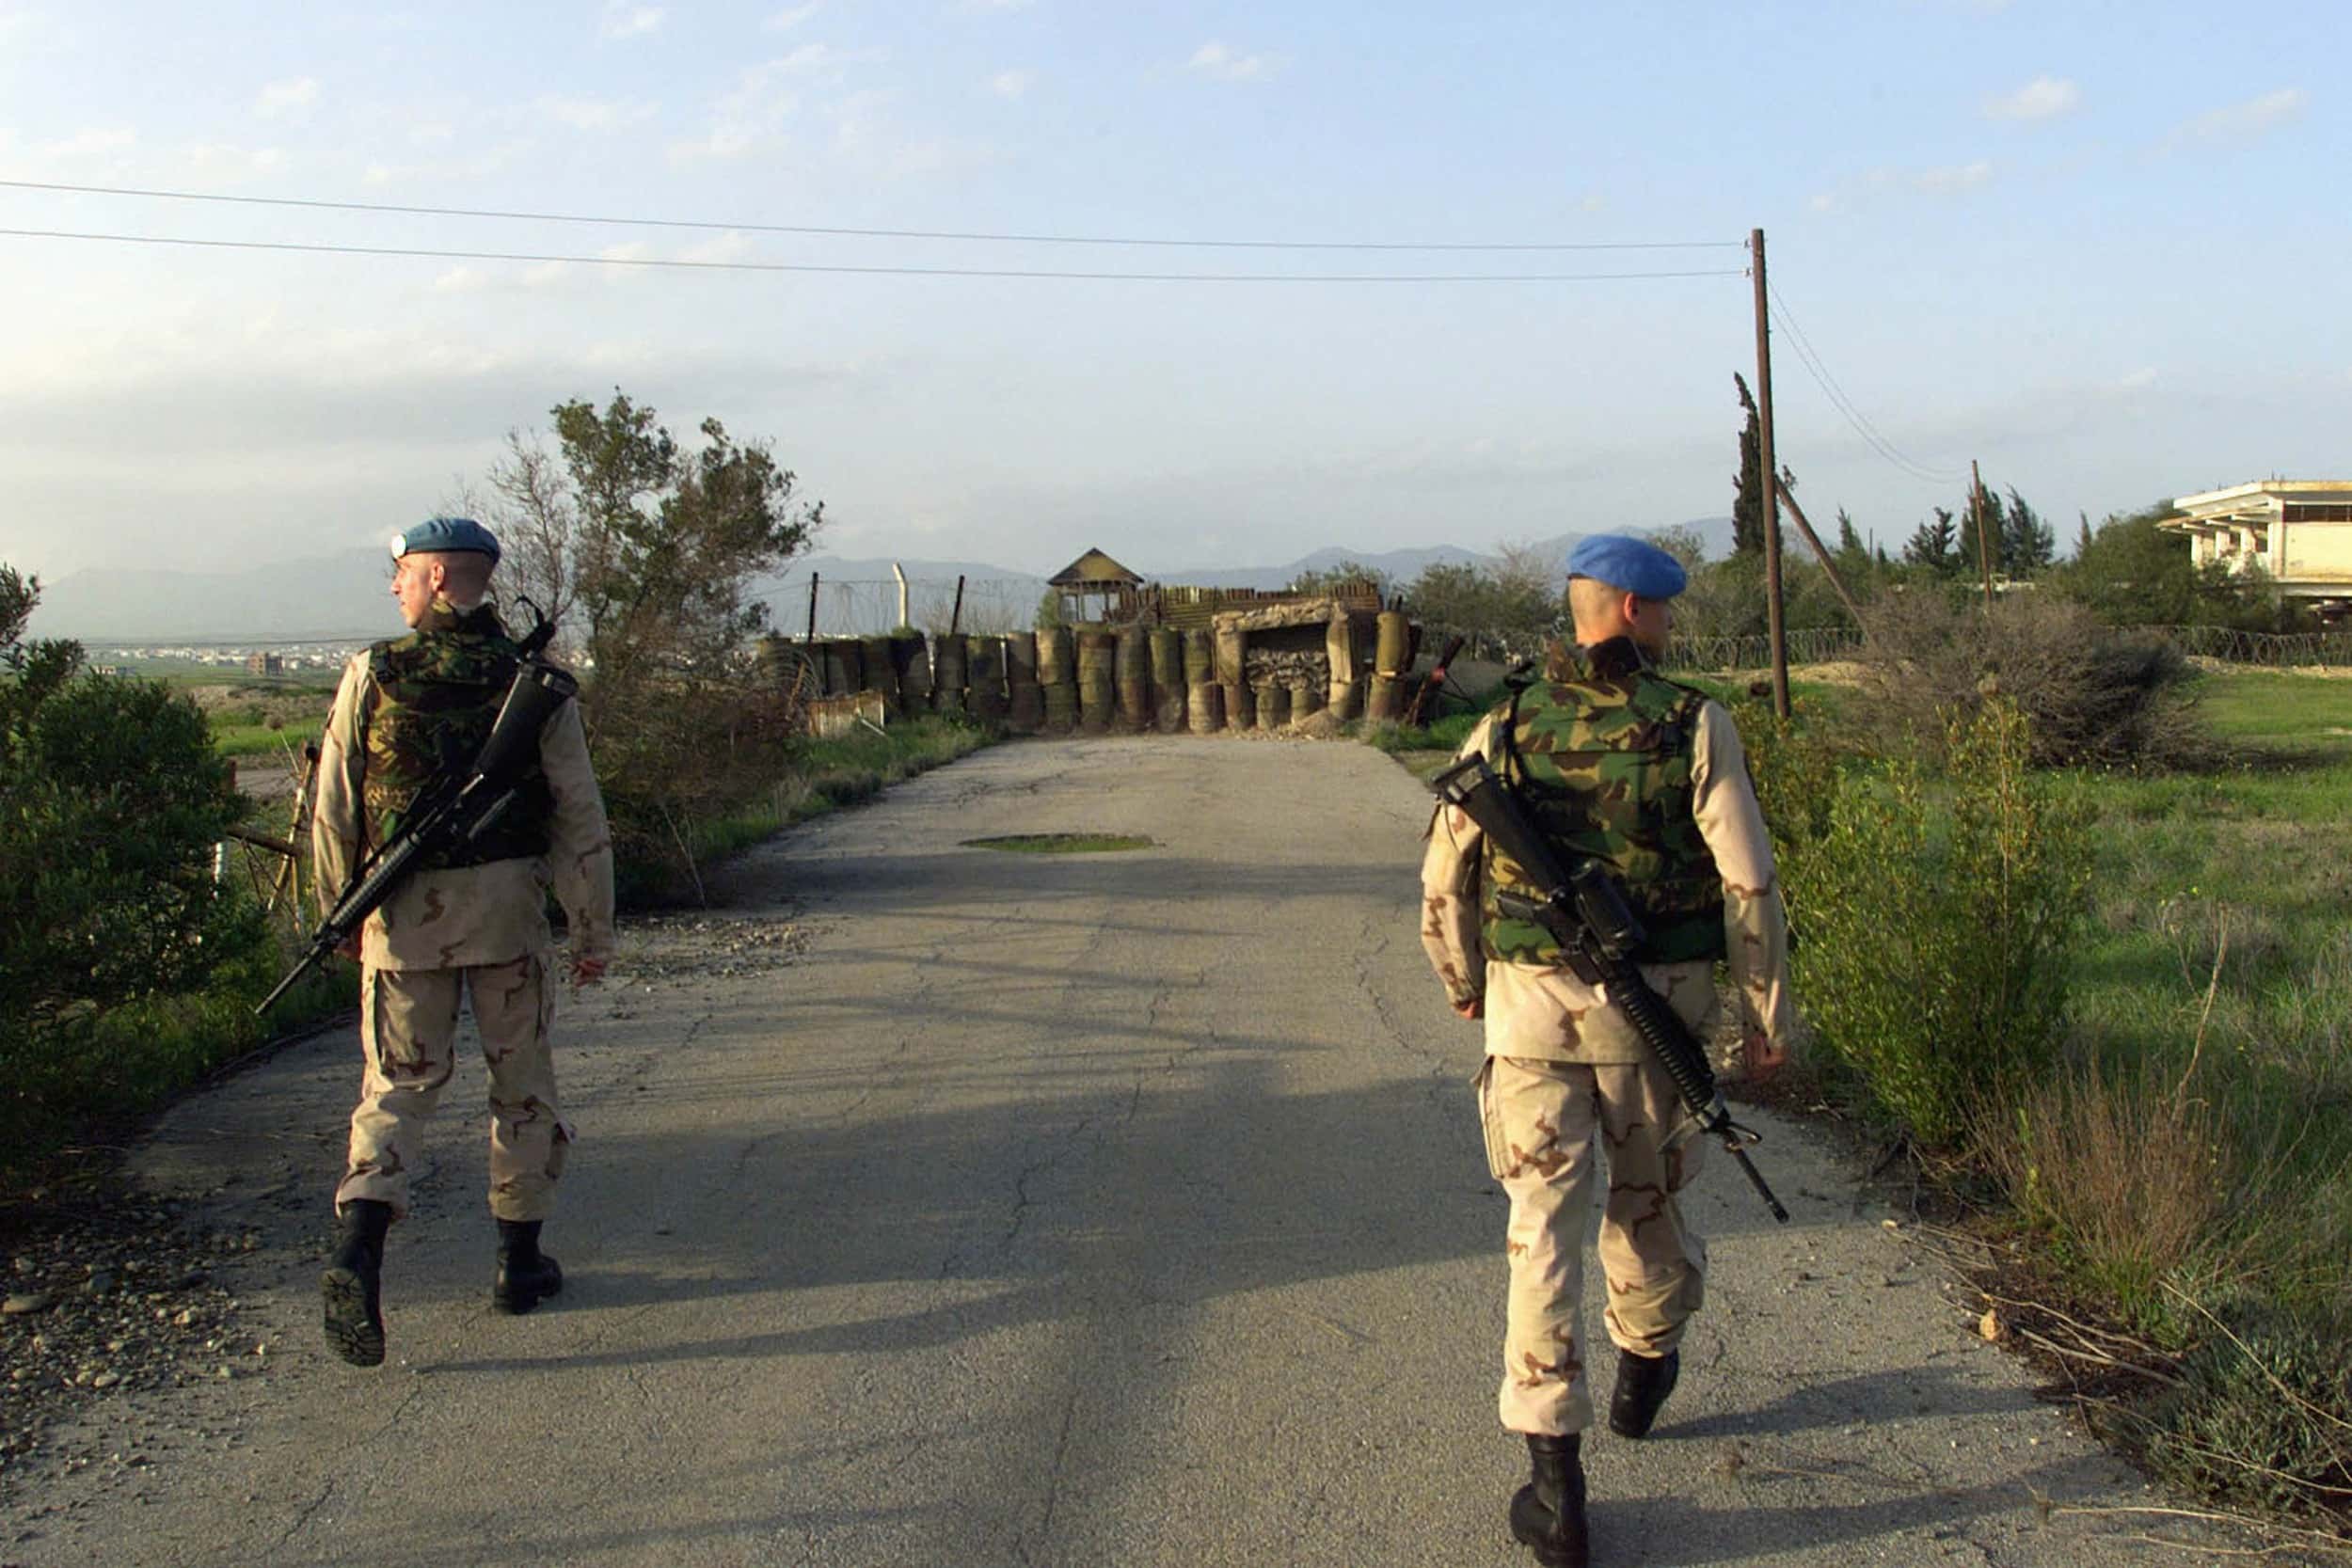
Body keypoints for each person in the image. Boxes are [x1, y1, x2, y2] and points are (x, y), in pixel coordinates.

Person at [1418, 533, 1795, 1568]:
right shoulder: (1691, 719)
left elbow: (1443, 877)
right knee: (1647, 1199)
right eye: (1662, 608)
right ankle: (1643, 1367)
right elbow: (1748, 881)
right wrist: (1767, 1013)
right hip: (1653, 1018)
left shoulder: (1506, 720)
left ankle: (1553, 1481)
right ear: (1630, 609)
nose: (1670, 624)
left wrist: (1461, 981)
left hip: (1531, 1013)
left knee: (1538, 1229)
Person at [310, 516, 615, 1369]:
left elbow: (334, 805)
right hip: (508, 916)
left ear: (438, 578)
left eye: (402, 573)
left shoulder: (373, 672)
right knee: (523, 1086)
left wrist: (341, 911)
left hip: (402, 922)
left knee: (397, 1088)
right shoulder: (535, 681)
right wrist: (592, 925)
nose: (396, 588)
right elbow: (578, 816)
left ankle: (358, 1251)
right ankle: (519, 1263)